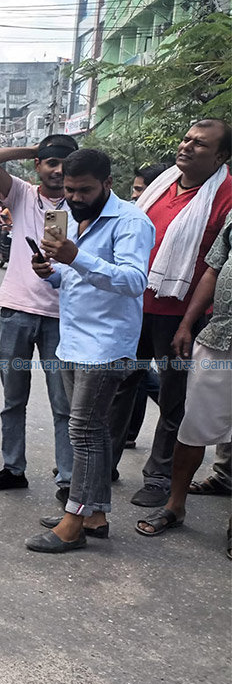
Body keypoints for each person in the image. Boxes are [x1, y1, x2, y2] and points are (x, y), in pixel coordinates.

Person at [25, 149, 153, 553]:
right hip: (73, 340)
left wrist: (75, 257)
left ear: (107, 184)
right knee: (89, 431)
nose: (75, 197)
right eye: (69, 190)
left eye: (84, 190)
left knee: (83, 432)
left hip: (107, 345)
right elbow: (75, 278)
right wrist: (53, 272)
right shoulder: (76, 219)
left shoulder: (131, 221)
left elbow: (134, 281)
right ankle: (95, 515)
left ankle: (73, 521)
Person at [106, 119, 232, 509]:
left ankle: (158, 477)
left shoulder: (226, 194)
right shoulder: (161, 185)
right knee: (118, 385)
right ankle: (101, 467)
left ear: (221, 156)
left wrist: (188, 322)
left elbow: (215, 263)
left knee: (174, 397)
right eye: (187, 139)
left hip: (182, 315)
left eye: (201, 144)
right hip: (135, 302)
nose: (188, 147)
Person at [0, 134, 79, 501]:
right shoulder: (20, 193)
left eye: (65, 163)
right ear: (38, 166)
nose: (58, 170)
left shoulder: (81, 202)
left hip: (62, 317)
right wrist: (36, 149)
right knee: (13, 398)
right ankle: (12, 468)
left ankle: (67, 479)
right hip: (18, 310)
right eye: (51, 162)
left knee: (63, 404)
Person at [134, 213, 231, 550]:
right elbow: (213, 269)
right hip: (221, 337)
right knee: (192, 429)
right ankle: (175, 506)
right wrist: (187, 324)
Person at [122, 164, 168, 450]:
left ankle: (127, 433)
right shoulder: (129, 216)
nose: (135, 195)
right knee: (134, 375)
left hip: (162, 310)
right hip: (132, 308)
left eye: (140, 189)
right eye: (135, 189)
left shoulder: (168, 219)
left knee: (135, 375)